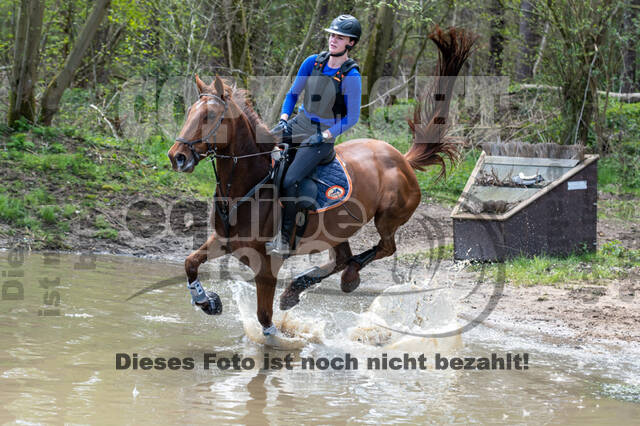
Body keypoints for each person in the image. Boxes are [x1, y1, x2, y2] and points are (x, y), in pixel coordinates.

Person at [266, 14, 363, 257]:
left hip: (322, 137)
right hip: (298, 123)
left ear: (350, 43)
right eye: (332, 35)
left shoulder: (351, 76)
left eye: (339, 37)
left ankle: (285, 240)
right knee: (260, 155)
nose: (333, 40)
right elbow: (292, 94)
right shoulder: (312, 62)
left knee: (290, 181)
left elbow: (352, 118)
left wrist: (326, 135)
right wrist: (283, 120)